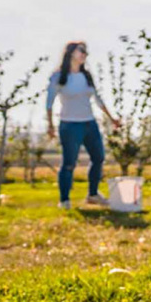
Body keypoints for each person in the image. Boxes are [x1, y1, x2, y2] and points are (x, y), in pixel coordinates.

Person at [45, 41, 121, 210]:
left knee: (99, 157)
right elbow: (49, 102)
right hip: (69, 125)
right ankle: (64, 200)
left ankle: (92, 195)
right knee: (69, 163)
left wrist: (112, 119)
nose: (85, 54)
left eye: (86, 52)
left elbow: (98, 99)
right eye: (82, 51)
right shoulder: (58, 77)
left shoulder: (86, 76)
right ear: (71, 53)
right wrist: (50, 125)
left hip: (89, 123)